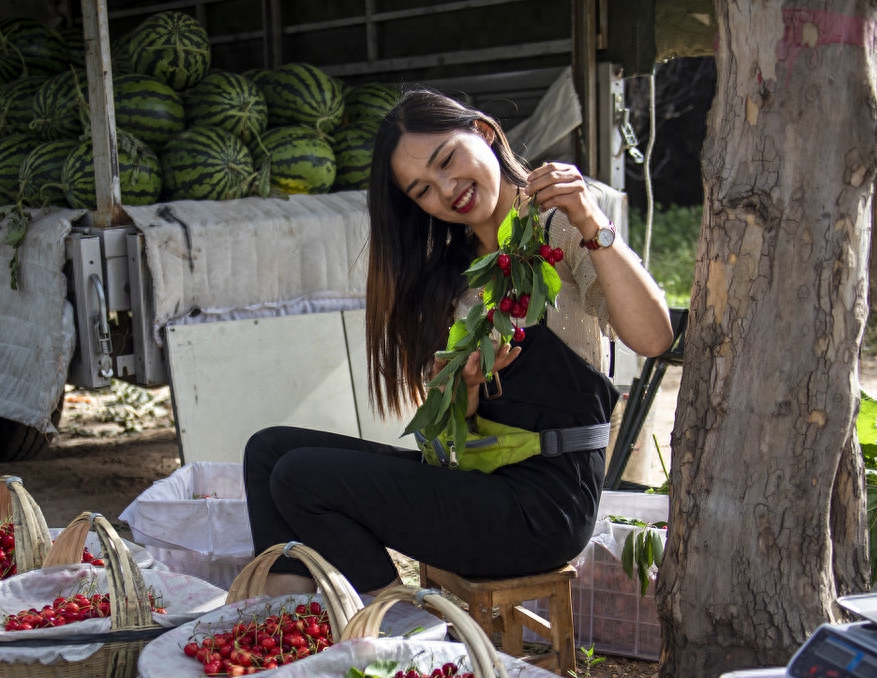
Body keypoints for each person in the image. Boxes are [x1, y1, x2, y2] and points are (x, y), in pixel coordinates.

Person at [244, 88, 674, 597]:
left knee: (300, 475)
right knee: (269, 452)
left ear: (484, 134)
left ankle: (396, 626)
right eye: (423, 190)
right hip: (481, 482)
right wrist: (463, 396)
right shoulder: (454, 275)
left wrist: (593, 224)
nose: (447, 190)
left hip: (545, 509)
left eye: (447, 161)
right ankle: (282, 625)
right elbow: (448, 446)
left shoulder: (558, 228)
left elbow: (654, 337)